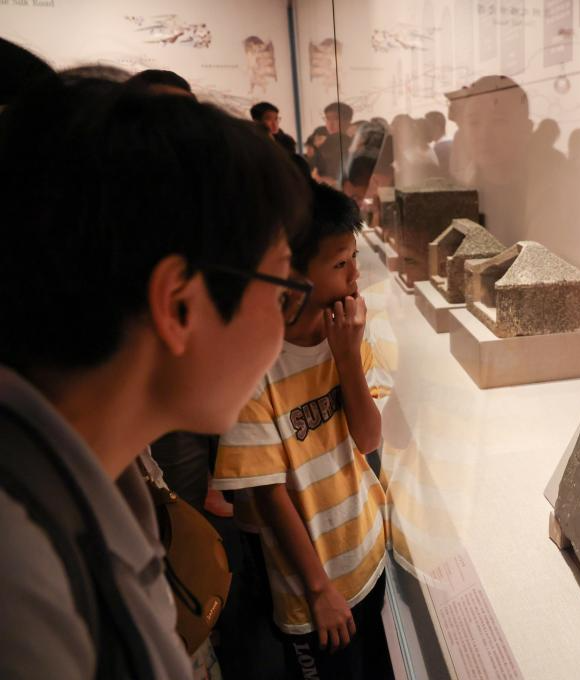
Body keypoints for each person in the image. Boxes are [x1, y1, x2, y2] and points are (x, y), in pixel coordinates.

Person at [0, 67, 309, 679]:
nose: (284, 325)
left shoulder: (93, 475)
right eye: (280, 289)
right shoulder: (24, 591)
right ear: (178, 305)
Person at [212, 183, 393, 680]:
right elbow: (269, 494)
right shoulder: (257, 365)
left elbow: (369, 440)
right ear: (292, 273)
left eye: (354, 258)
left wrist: (347, 357)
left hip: (366, 551)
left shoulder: (348, 334)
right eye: (340, 264)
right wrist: (318, 590)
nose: (355, 275)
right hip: (313, 588)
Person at [312, 101, 353, 185]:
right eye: (327, 119)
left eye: (336, 119)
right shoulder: (323, 144)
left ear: (348, 121)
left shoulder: (351, 146)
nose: (330, 123)